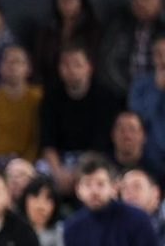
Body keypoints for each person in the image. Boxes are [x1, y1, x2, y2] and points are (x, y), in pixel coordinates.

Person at [61, 155, 163, 246]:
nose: (94, 191)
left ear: (114, 186)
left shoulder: (138, 219)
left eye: (100, 184)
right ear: (78, 190)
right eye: (87, 184)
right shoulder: (72, 227)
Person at [40, 45, 126, 194]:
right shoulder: (51, 96)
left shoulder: (105, 97)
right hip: (59, 161)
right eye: (66, 64)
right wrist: (59, 173)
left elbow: (100, 144)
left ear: (89, 67)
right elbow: (47, 142)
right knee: (38, 176)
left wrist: (76, 173)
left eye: (77, 64)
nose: (71, 70)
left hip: (94, 158)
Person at [101, 0, 165, 95]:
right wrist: (131, 91)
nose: (139, 2)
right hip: (122, 92)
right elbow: (108, 62)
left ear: (159, 3)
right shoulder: (118, 26)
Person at [33, 0, 101, 84]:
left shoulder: (93, 30)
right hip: (50, 87)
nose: (66, 1)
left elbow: (96, 63)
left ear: (81, 1)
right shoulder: (46, 30)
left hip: (84, 87)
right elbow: (38, 65)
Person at [18, 174, 72, 246]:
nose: (40, 206)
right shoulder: (13, 230)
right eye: (35, 196)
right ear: (25, 200)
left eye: (48, 199)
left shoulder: (60, 233)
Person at [129, 35, 165, 170]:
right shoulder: (140, 85)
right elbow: (139, 120)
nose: (163, 58)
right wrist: (157, 90)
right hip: (148, 154)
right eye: (159, 54)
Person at [112, 109, 165, 179]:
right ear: (113, 134)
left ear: (143, 135)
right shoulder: (102, 169)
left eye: (132, 129)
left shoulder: (157, 172)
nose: (127, 135)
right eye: (122, 129)